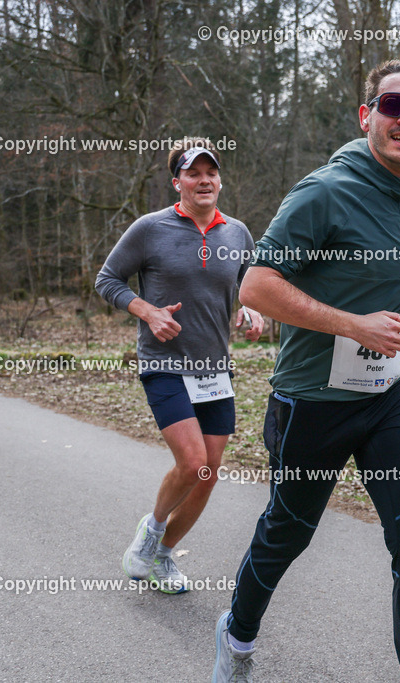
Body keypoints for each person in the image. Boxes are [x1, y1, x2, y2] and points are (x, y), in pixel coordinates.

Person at [212, 60, 400, 682]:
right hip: (313, 400)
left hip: (388, 396)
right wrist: (352, 324)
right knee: (287, 533)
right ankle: (236, 635)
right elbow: (256, 287)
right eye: (394, 105)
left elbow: (391, 285)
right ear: (367, 115)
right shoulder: (324, 192)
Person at [96, 138, 265, 593]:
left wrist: (249, 310)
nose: (204, 180)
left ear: (220, 180)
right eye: (194, 173)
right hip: (165, 363)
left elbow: (249, 285)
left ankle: (164, 557)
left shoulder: (238, 233)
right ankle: (149, 533)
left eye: (211, 172)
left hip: (215, 369)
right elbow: (107, 279)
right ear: (178, 182)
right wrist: (147, 311)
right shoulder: (150, 229)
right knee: (191, 463)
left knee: (209, 473)